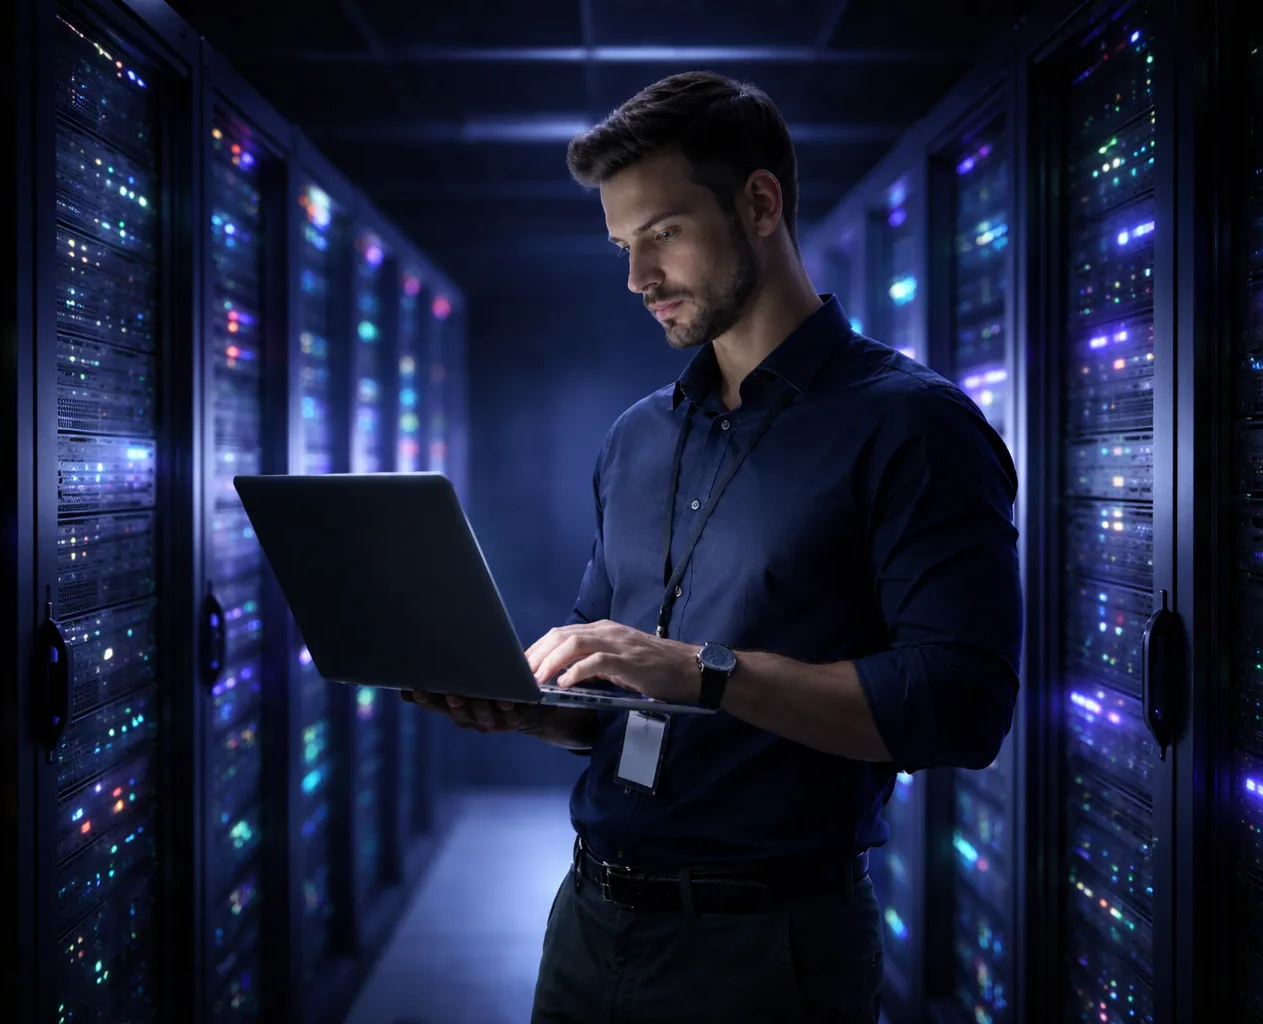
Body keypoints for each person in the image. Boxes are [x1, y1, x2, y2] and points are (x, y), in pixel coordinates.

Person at [401, 70, 1022, 1024]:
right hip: (588, 925)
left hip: (772, 951)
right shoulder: (637, 438)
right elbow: (618, 696)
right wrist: (536, 709)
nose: (637, 278)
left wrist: (704, 669)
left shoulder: (913, 427)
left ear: (760, 203)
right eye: (621, 245)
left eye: (662, 234)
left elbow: (962, 706)